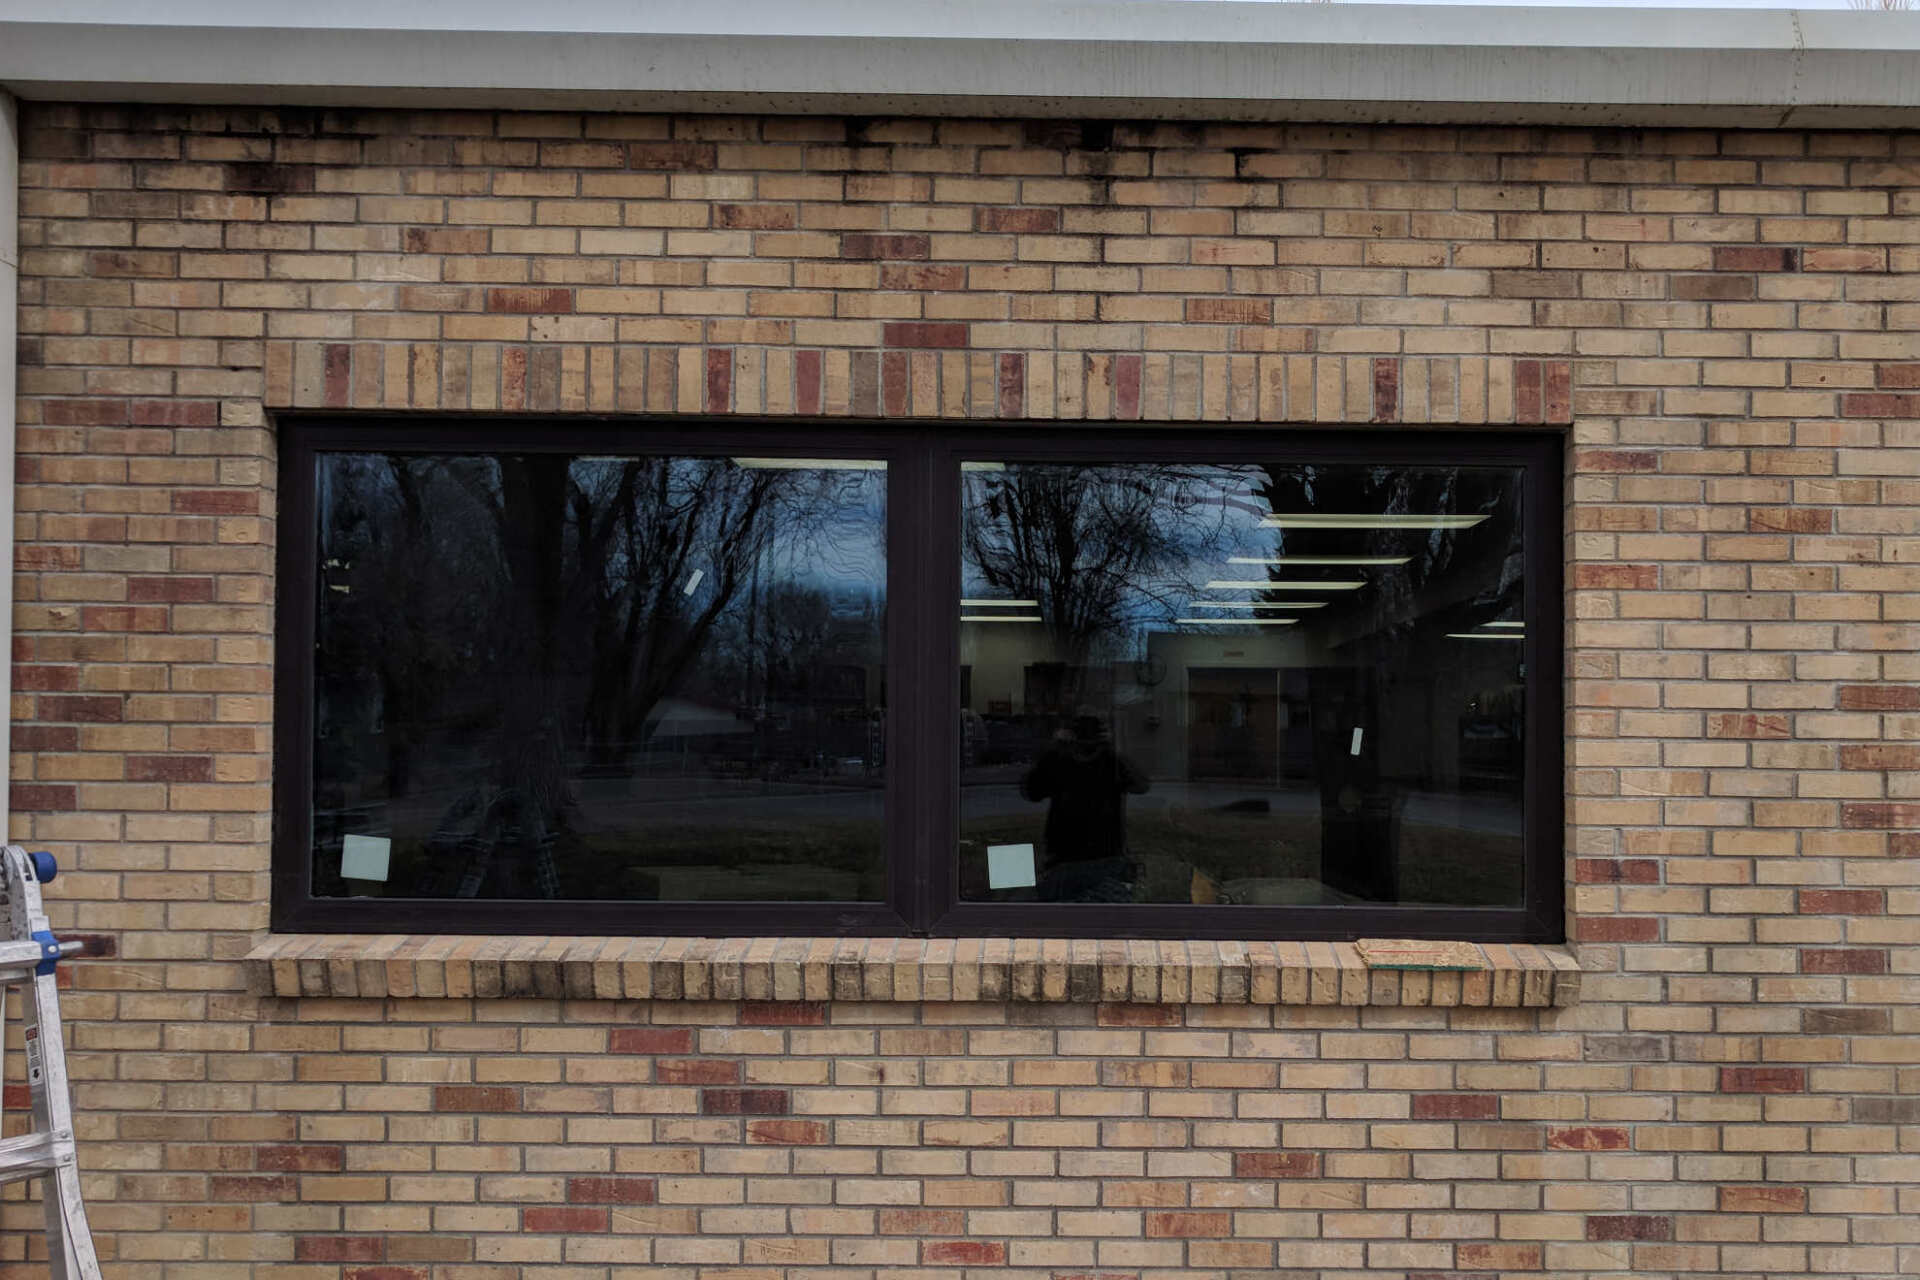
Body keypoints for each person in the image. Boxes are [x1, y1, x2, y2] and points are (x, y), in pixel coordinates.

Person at [1020, 710, 1149, 901]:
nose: (1086, 749)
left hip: (1093, 856)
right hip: (1075, 856)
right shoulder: (1061, 759)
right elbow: (1031, 791)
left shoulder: (1108, 760)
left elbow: (1141, 785)